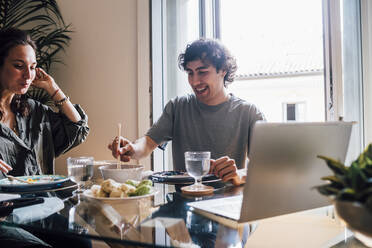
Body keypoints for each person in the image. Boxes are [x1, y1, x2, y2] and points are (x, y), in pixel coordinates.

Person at [108, 39, 265, 185]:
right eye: (190, 73)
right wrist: (131, 149)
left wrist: (239, 174)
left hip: (228, 203)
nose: (195, 81)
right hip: (184, 202)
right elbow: (148, 143)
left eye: (202, 72)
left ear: (223, 70)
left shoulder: (249, 112)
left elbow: (267, 167)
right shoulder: (178, 107)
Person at [0, 28, 89, 177]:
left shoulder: (33, 110)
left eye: (33, 67)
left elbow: (77, 129)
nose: (28, 75)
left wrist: (53, 89)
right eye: (19, 66)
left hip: (45, 199)